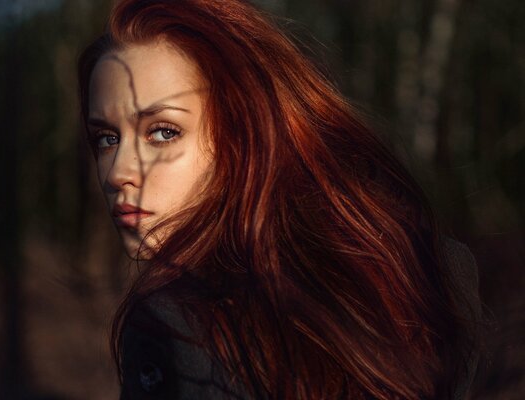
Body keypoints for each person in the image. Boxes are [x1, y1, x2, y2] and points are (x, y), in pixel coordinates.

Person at [78, 0, 481, 399]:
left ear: (244, 135)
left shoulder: (170, 328)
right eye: (107, 138)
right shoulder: (430, 271)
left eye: (163, 132)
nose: (117, 173)